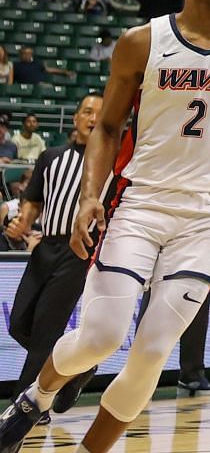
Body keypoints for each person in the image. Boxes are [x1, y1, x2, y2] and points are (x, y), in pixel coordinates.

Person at [0, 0, 210, 453]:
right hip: (141, 205)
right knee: (102, 336)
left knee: (153, 351)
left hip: (207, 218)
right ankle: (34, 398)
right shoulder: (142, 42)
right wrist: (91, 196)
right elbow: (107, 129)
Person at [6, 95, 103, 408]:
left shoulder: (111, 164)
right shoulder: (50, 156)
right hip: (45, 247)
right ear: (75, 119)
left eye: (100, 115)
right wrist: (23, 223)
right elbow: (33, 199)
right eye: (87, 111)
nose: (93, 118)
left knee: (47, 330)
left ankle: (26, 406)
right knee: (19, 323)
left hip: (80, 252)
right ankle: (76, 372)